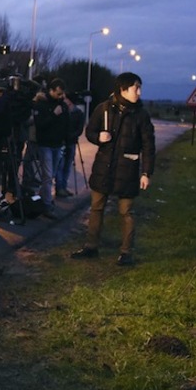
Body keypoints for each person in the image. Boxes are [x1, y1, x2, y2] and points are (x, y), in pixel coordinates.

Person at [71, 72, 155, 266]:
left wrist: (146, 173)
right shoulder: (104, 109)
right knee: (96, 208)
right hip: (104, 168)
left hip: (128, 171)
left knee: (126, 212)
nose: (139, 92)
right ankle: (91, 247)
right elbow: (90, 131)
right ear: (123, 89)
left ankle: (126, 252)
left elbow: (149, 146)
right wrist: (98, 137)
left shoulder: (141, 115)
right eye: (136, 88)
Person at [30, 77, 70, 216]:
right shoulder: (42, 104)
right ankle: (46, 204)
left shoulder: (63, 105)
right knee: (47, 175)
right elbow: (40, 124)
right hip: (45, 144)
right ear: (51, 91)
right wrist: (53, 115)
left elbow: (66, 123)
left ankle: (43, 199)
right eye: (58, 93)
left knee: (51, 175)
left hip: (57, 144)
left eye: (62, 94)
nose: (60, 96)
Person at [56, 95, 85, 197]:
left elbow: (79, 129)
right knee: (60, 165)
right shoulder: (62, 110)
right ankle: (59, 188)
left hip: (71, 142)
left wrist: (72, 136)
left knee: (67, 165)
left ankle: (63, 186)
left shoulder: (78, 113)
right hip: (61, 142)